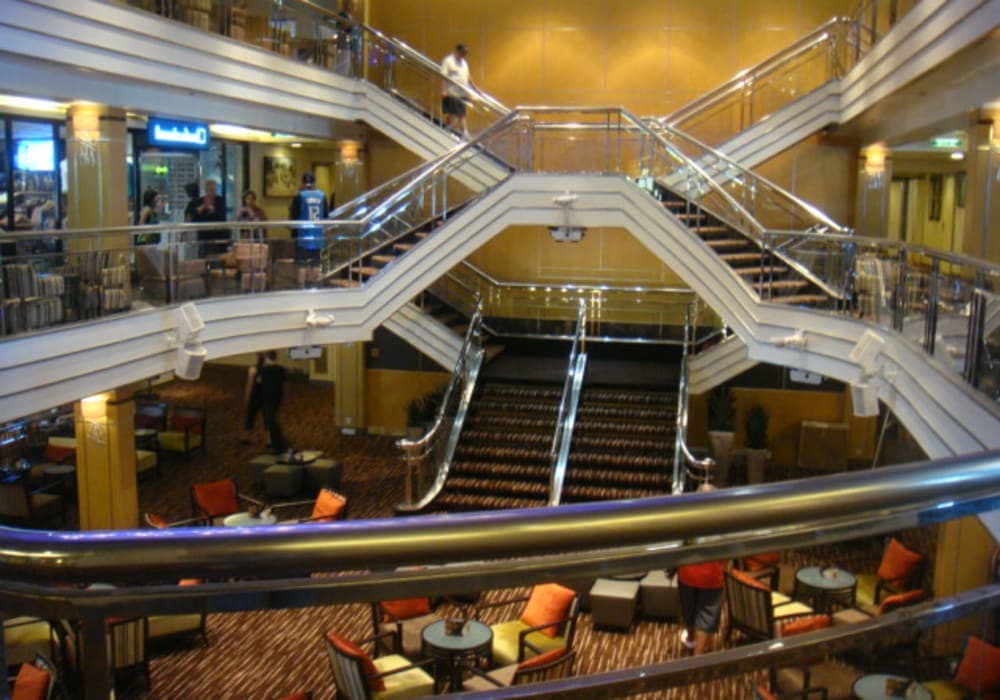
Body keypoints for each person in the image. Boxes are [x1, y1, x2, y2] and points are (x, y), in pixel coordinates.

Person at [677, 484, 725, 656]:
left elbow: (680, 546)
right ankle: (697, 657)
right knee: (705, 616)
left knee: (689, 610)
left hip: (687, 573)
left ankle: (690, 639)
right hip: (712, 576)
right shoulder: (723, 522)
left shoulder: (687, 519)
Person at [288, 172, 328, 288]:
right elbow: (326, 216)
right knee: (315, 262)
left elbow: (294, 217)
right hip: (317, 235)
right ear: (314, 182)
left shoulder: (300, 196)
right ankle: (315, 286)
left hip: (302, 235)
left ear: (303, 182)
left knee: (301, 264)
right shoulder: (322, 195)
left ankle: (301, 287)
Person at [440, 43, 478, 138]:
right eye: (463, 53)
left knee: (456, 113)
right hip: (452, 91)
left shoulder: (464, 62)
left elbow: (467, 76)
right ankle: (463, 132)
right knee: (459, 113)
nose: (464, 55)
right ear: (457, 51)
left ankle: (448, 128)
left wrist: (475, 88)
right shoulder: (448, 61)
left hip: (463, 91)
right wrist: (443, 90)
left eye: (465, 53)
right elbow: (443, 76)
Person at [256, 350, 287, 454]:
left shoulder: (264, 370)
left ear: (267, 358)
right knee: (275, 419)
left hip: (267, 398)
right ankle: (279, 443)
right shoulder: (280, 369)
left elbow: (259, 381)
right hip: (277, 398)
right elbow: (285, 384)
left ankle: (278, 445)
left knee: (271, 422)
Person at [190, 178, 228, 256]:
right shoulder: (199, 201)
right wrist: (201, 208)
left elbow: (222, 217)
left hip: (218, 235)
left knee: (217, 257)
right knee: (204, 256)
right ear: (206, 190)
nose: (213, 192)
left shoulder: (220, 201)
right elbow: (193, 217)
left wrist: (213, 210)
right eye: (211, 190)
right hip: (203, 235)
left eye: (214, 190)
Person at [242, 352, 266, 444]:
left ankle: (246, 436)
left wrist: (246, 398)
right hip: (264, 396)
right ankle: (269, 440)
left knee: (250, 417)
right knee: (266, 418)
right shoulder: (268, 369)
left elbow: (250, 385)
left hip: (254, 396)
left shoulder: (253, 369)